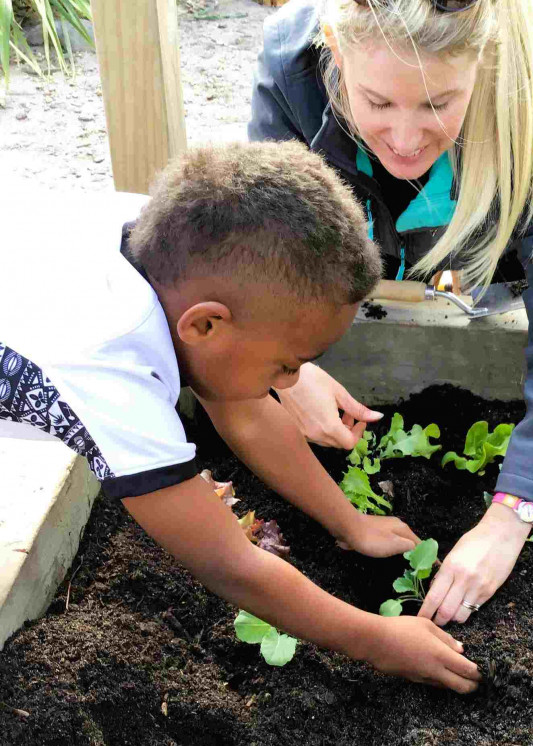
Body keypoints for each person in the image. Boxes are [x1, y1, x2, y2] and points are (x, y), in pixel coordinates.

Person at [0, 142, 481, 694]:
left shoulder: (179, 250)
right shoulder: (112, 365)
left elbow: (246, 413)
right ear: (206, 326)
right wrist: (376, 639)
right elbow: (227, 563)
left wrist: (350, 523)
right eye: (286, 364)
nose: (292, 385)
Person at [249, 0, 533, 625]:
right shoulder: (292, 70)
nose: (404, 139)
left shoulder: (528, 80)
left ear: (485, 66)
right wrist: (286, 373)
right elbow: (268, 248)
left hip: (490, 255)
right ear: (334, 48)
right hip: (374, 254)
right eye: (377, 103)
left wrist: (515, 513)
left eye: (437, 105)